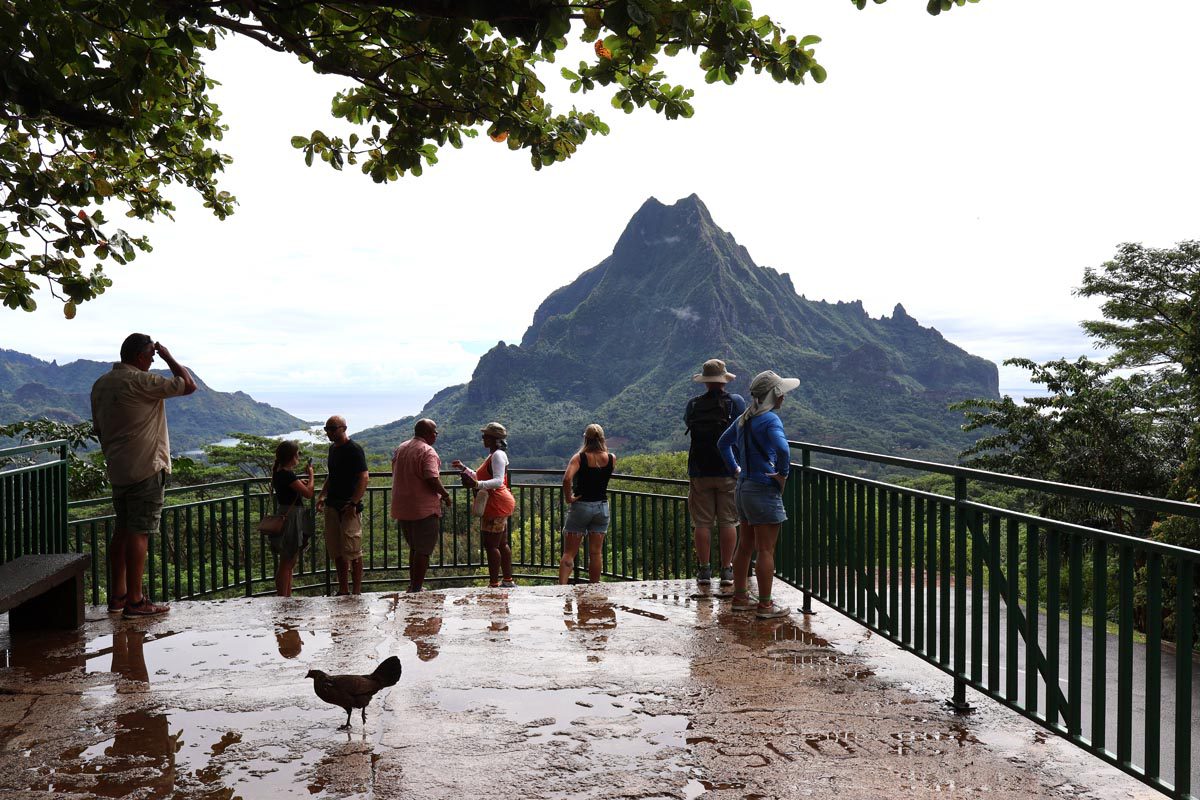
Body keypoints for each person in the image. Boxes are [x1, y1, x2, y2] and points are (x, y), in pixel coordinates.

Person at [90, 334, 196, 618]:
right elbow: (188, 385)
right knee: (139, 534)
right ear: (139, 356)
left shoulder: (100, 385)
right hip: (146, 468)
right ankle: (136, 602)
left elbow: (98, 429)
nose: (153, 358)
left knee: (123, 531)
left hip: (118, 469)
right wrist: (169, 357)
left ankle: (119, 596)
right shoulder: (141, 382)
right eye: (151, 354)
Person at [718, 370, 800, 620]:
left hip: (742, 488)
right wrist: (782, 474)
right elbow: (783, 449)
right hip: (763, 489)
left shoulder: (744, 418)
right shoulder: (770, 420)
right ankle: (765, 605)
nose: (784, 397)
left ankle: (740, 597)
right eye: (781, 393)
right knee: (766, 549)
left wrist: (735, 469)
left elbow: (723, 443)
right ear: (774, 396)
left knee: (745, 546)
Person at [684, 358, 746, 588]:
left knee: (702, 522)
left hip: (699, 470)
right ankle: (727, 570)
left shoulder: (692, 405)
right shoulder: (736, 403)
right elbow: (744, 426)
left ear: (705, 382)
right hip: (728, 470)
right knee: (728, 521)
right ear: (723, 380)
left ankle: (703, 571)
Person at [390, 418, 451, 593]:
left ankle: (413, 585)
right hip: (423, 508)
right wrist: (445, 495)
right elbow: (431, 477)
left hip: (402, 506)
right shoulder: (427, 451)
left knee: (415, 548)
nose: (436, 435)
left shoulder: (401, 448)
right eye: (435, 432)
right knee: (423, 550)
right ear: (427, 433)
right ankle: (416, 588)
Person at [453, 422, 516, 588]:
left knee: (491, 545)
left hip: (495, 503)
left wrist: (475, 485)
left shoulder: (497, 456)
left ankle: (494, 583)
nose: (483, 438)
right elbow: (480, 476)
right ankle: (507, 580)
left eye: (485, 435)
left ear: (494, 438)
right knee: (501, 543)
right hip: (498, 502)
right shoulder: (495, 455)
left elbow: (496, 481)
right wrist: (464, 469)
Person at [316, 415, 368, 595]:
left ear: (344, 428)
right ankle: (343, 589)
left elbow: (364, 477)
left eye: (332, 428)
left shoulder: (354, 449)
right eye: (326, 429)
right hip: (332, 505)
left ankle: (356, 591)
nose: (329, 432)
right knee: (336, 551)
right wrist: (322, 495)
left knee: (353, 551)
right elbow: (332, 475)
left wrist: (354, 503)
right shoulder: (333, 449)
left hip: (348, 507)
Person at [558, 424, 616, 584]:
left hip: (581, 507)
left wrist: (569, 498)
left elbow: (567, 478)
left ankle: (561, 589)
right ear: (602, 439)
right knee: (596, 553)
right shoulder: (611, 458)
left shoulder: (580, 458)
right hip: (602, 508)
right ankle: (594, 589)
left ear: (586, 438)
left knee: (569, 553)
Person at [270, 439, 315, 596]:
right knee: (287, 562)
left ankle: (286, 595)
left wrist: (299, 482)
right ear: (292, 456)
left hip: (285, 514)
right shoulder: (287, 474)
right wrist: (311, 475)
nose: (299, 457)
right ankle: (283, 597)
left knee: (288, 561)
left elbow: (291, 488)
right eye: (297, 454)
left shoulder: (279, 472)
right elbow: (309, 494)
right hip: (292, 519)